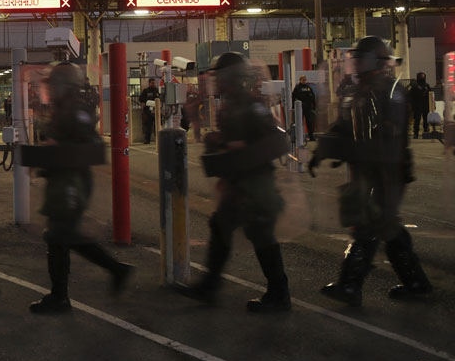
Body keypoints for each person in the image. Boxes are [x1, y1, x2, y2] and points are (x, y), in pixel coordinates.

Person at [312, 36, 431, 306]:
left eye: (360, 58)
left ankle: (350, 285)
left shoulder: (390, 91)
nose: (355, 63)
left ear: (375, 61)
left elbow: (387, 136)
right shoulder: (362, 89)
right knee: (385, 226)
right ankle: (415, 282)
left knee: (369, 226)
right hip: (370, 169)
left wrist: (351, 152)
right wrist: (324, 149)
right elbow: (347, 125)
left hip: (387, 170)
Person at [176, 53, 292, 313]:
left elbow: (253, 144)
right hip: (244, 182)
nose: (215, 80)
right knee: (223, 227)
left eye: (219, 75)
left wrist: (224, 146)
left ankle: (278, 293)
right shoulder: (236, 102)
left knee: (260, 234)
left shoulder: (245, 104)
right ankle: (211, 285)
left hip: (255, 184)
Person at [28, 62, 134, 314]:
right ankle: (62, 295)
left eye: (54, 85)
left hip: (71, 182)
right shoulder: (64, 108)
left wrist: (57, 151)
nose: (51, 90)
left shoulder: (74, 111)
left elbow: (92, 147)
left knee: (59, 236)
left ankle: (107, 273)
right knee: (59, 238)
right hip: (62, 180)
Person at [292, 75, 317, 141]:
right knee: (299, 123)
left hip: (308, 108)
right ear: (300, 80)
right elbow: (293, 97)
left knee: (309, 123)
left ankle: (311, 137)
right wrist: (293, 107)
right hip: (300, 108)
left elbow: (312, 97)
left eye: (305, 80)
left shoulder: (308, 88)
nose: (304, 81)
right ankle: (300, 138)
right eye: (303, 80)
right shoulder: (297, 88)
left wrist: (314, 106)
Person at [408, 72, 431, 139]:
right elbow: (411, 96)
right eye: (421, 76)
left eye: (423, 76)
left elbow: (430, 95)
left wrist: (432, 104)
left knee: (426, 120)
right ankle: (416, 133)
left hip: (425, 106)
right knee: (417, 120)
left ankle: (426, 132)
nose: (422, 78)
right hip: (417, 105)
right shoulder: (414, 86)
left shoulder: (427, 85)